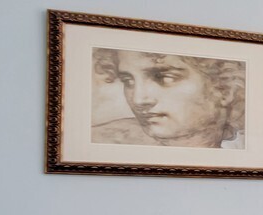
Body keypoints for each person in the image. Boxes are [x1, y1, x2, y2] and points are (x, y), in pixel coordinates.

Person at [92, 48, 245, 148]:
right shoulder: (105, 140)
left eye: (165, 78)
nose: (139, 100)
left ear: (224, 89)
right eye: (128, 81)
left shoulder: (245, 150)